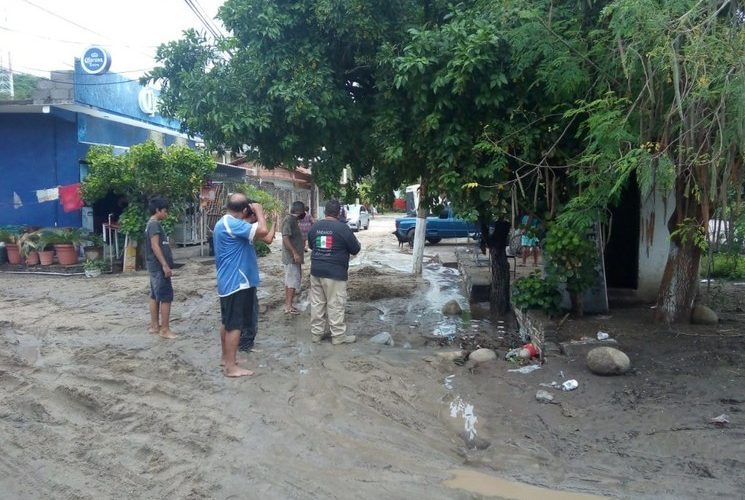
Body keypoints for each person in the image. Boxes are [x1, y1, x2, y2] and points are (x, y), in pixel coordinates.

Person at [213, 193, 268, 377]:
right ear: (244, 210)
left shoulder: (226, 223)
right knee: (235, 325)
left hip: (229, 281)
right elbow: (263, 232)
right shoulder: (231, 224)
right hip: (237, 282)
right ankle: (231, 367)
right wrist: (259, 212)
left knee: (227, 322)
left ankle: (226, 358)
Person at [308, 199, 361, 345]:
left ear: (325, 212)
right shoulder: (343, 228)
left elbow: (312, 246)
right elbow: (355, 249)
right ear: (339, 213)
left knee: (317, 303)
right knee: (335, 304)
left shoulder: (315, 227)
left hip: (316, 271)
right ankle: (338, 336)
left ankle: (316, 334)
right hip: (335, 273)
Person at [238, 207, 279, 354]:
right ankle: (245, 346)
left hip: (244, 277)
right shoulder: (241, 227)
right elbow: (266, 237)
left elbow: (266, 238)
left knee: (244, 311)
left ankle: (241, 343)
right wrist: (264, 216)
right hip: (243, 278)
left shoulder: (241, 226)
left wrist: (272, 223)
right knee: (248, 311)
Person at [145, 196, 176, 339]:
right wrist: (164, 265)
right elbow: (155, 246)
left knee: (154, 295)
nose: (166, 213)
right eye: (165, 211)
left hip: (154, 265)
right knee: (165, 297)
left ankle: (155, 326)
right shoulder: (154, 225)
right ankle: (164, 329)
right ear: (158, 210)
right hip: (158, 266)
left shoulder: (151, 224)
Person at [281, 201, 306, 314]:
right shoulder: (289, 220)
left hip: (293, 258)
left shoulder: (293, 221)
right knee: (292, 282)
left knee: (289, 282)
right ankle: (289, 306)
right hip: (291, 258)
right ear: (300, 211)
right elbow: (285, 237)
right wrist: (295, 253)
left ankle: (288, 304)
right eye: (304, 211)